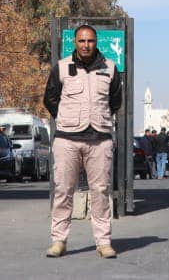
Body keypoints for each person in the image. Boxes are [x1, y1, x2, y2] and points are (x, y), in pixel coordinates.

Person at [43, 25, 123, 259]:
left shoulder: (109, 68)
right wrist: (67, 118)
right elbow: (50, 99)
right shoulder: (61, 67)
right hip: (67, 139)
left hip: (99, 139)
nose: (86, 45)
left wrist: (98, 119)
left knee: (101, 192)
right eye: (81, 41)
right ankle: (59, 241)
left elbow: (115, 101)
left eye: (90, 41)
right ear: (75, 43)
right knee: (63, 191)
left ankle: (103, 242)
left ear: (96, 42)